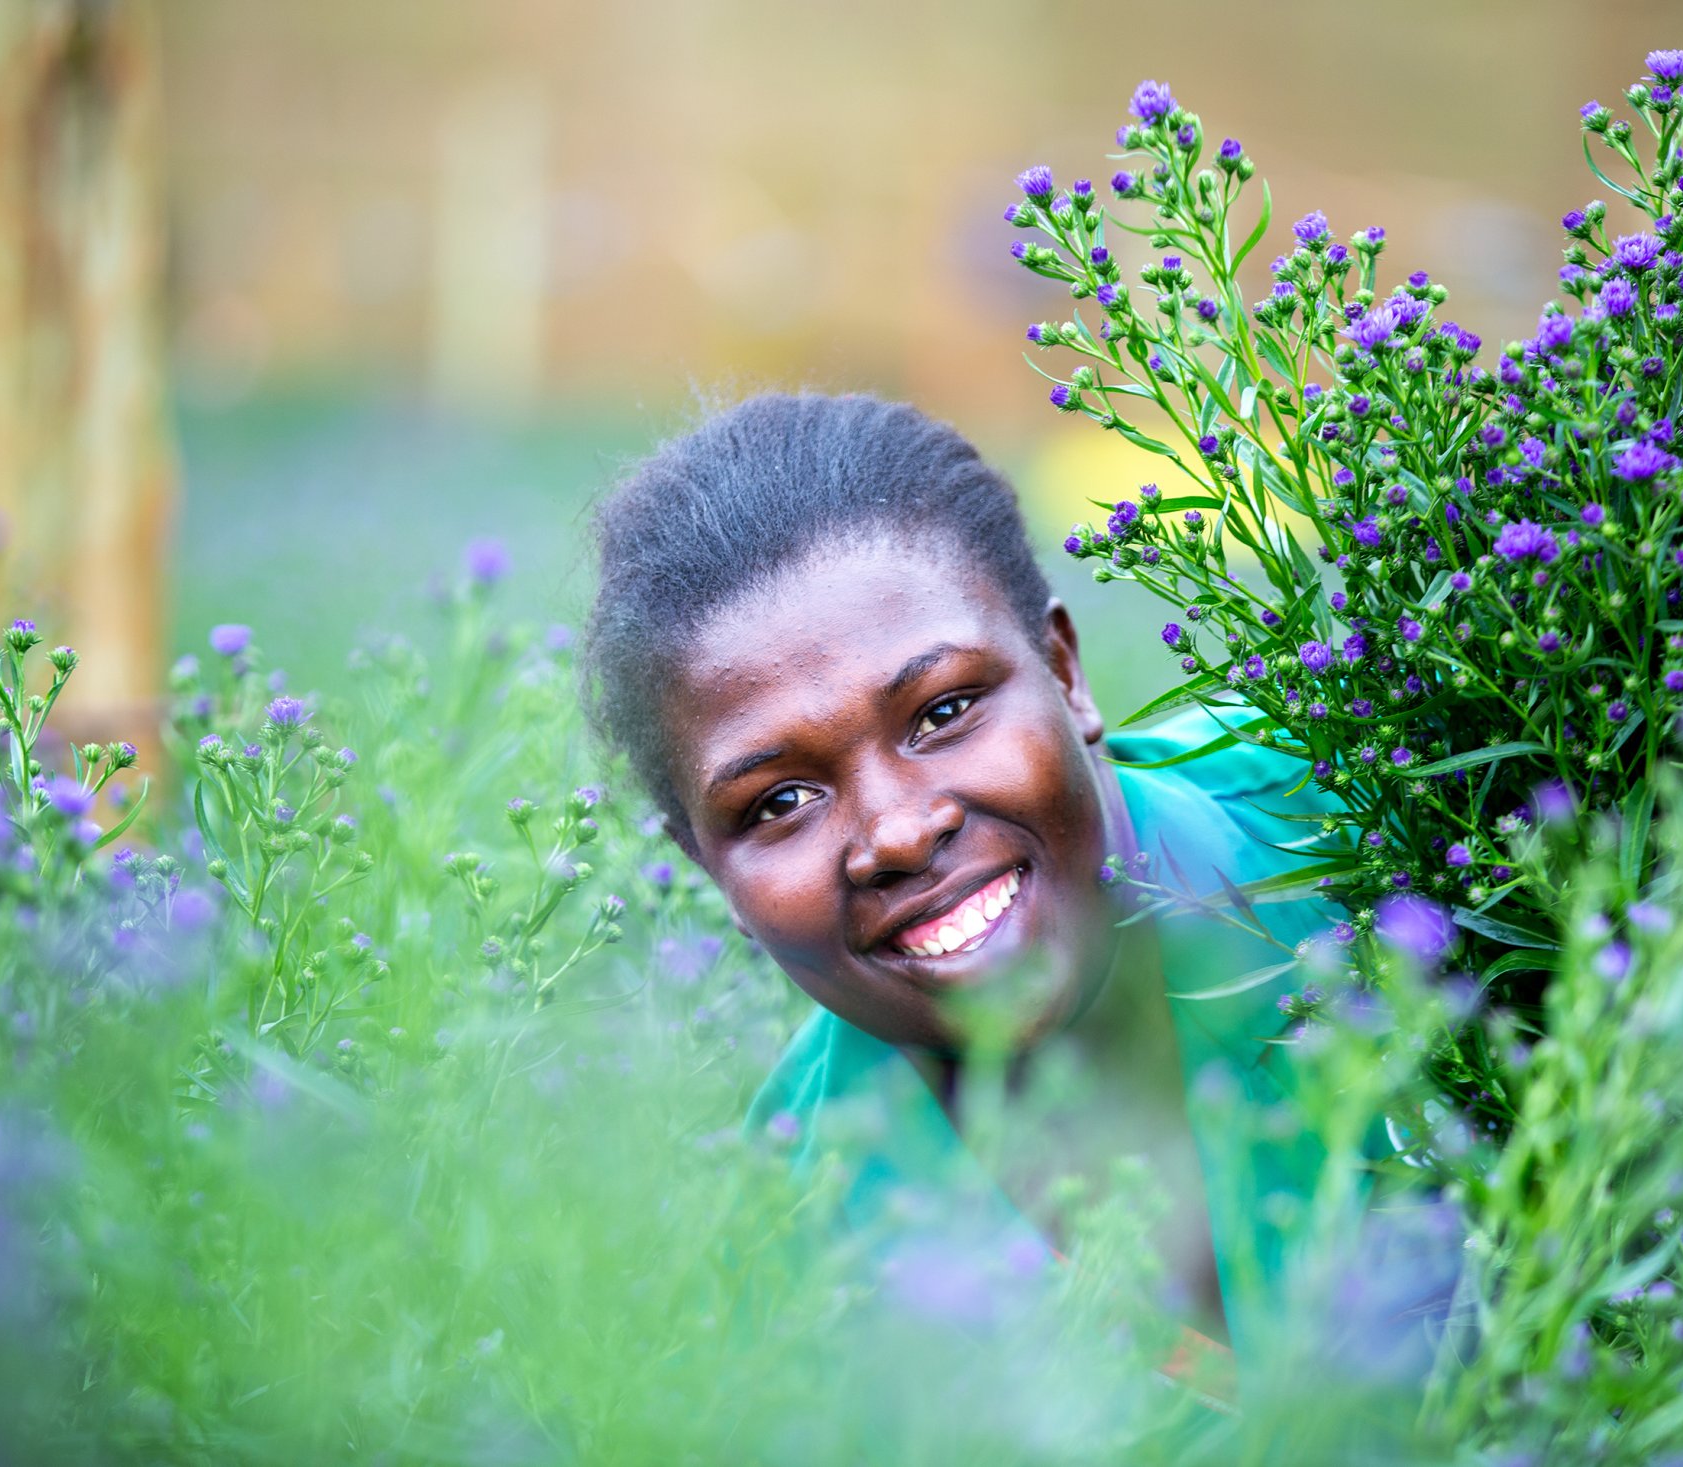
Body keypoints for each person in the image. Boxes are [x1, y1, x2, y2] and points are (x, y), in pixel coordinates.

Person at [583, 392, 1383, 1410]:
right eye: (779, 801)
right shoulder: (790, 1252)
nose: (897, 832)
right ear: (707, 870)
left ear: (1063, 672)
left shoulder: (1371, 786)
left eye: (943, 711)